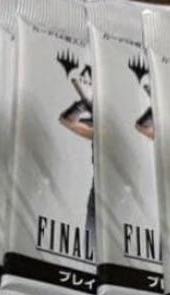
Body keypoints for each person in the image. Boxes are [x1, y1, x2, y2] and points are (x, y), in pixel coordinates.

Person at [58, 58, 95, 246]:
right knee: (92, 246)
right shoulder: (98, 128)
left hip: (132, 195)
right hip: (99, 193)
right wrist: (81, 105)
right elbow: (66, 120)